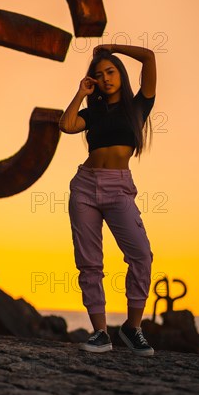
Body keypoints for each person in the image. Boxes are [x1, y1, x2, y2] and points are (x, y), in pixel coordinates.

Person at [59, 44, 156, 356]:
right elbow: (66, 125)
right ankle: (100, 332)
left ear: (120, 74)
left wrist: (112, 48)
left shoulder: (139, 106)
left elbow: (149, 58)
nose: (106, 78)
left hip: (118, 188)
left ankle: (132, 328)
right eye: (99, 75)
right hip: (85, 187)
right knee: (89, 262)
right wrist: (80, 92)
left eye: (111, 71)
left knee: (141, 255)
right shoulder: (92, 112)